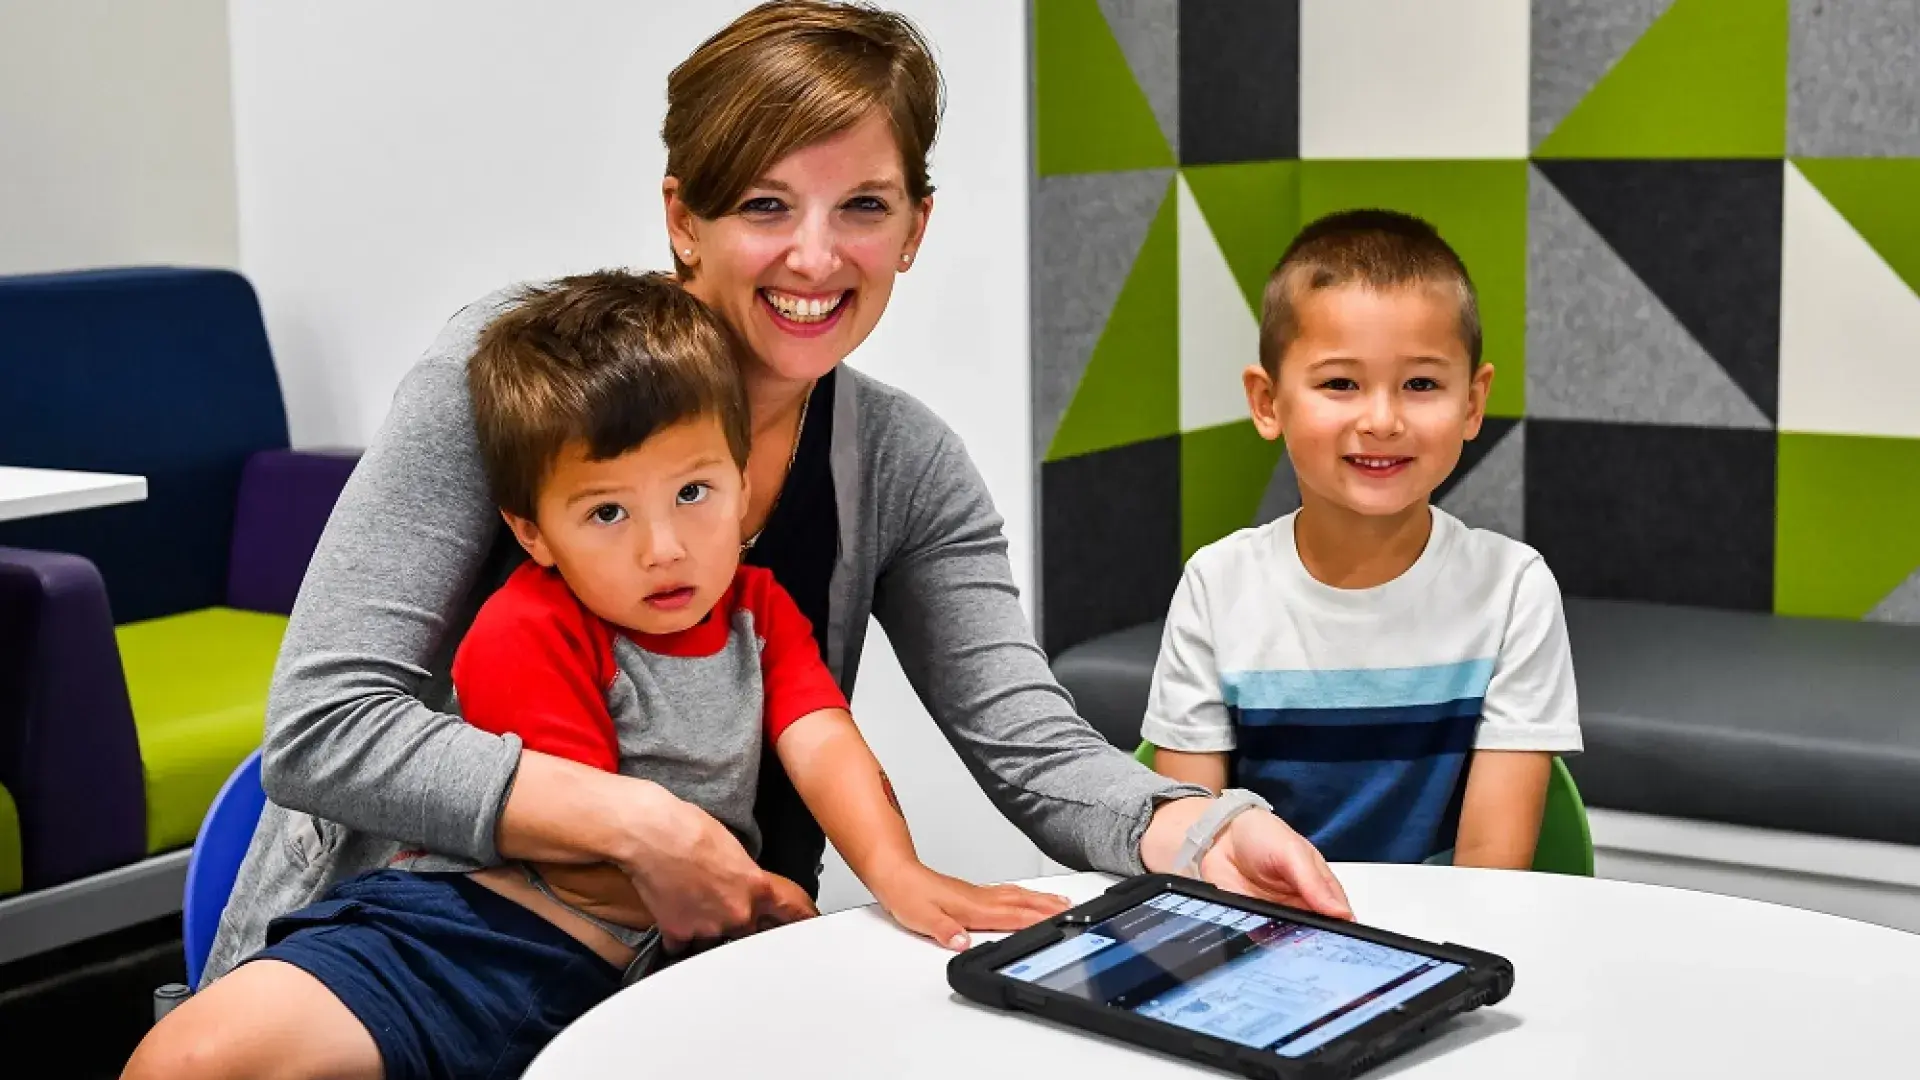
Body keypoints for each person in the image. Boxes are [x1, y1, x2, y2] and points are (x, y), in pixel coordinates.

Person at [193, 0, 1346, 1018]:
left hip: (716, 972)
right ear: (681, 217)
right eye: (762, 203)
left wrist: (1199, 828)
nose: (814, 254)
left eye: (863, 206)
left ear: (914, 230)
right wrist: (640, 826)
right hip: (422, 942)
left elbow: (1032, 749)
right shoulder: (512, 375)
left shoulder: (903, 463)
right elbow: (324, 725)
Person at [126, 271, 1070, 1079]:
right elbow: (589, 854)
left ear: (743, 483)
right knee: (192, 1060)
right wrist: (759, 897)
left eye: (694, 493)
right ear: (534, 533)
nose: (665, 550)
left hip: (672, 947)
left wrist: (895, 871)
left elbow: (820, 733)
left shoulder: (759, 606)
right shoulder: (527, 625)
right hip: (478, 935)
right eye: (608, 514)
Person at [1144, 209, 1583, 868]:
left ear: (1472, 401)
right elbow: (1192, 853)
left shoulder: (1512, 592)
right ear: (1267, 402)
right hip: (1265, 939)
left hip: (1449, 943)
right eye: (1341, 383)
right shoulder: (1218, 587)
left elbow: (1493, 872)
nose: (1382, 420)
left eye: (1421, 384)